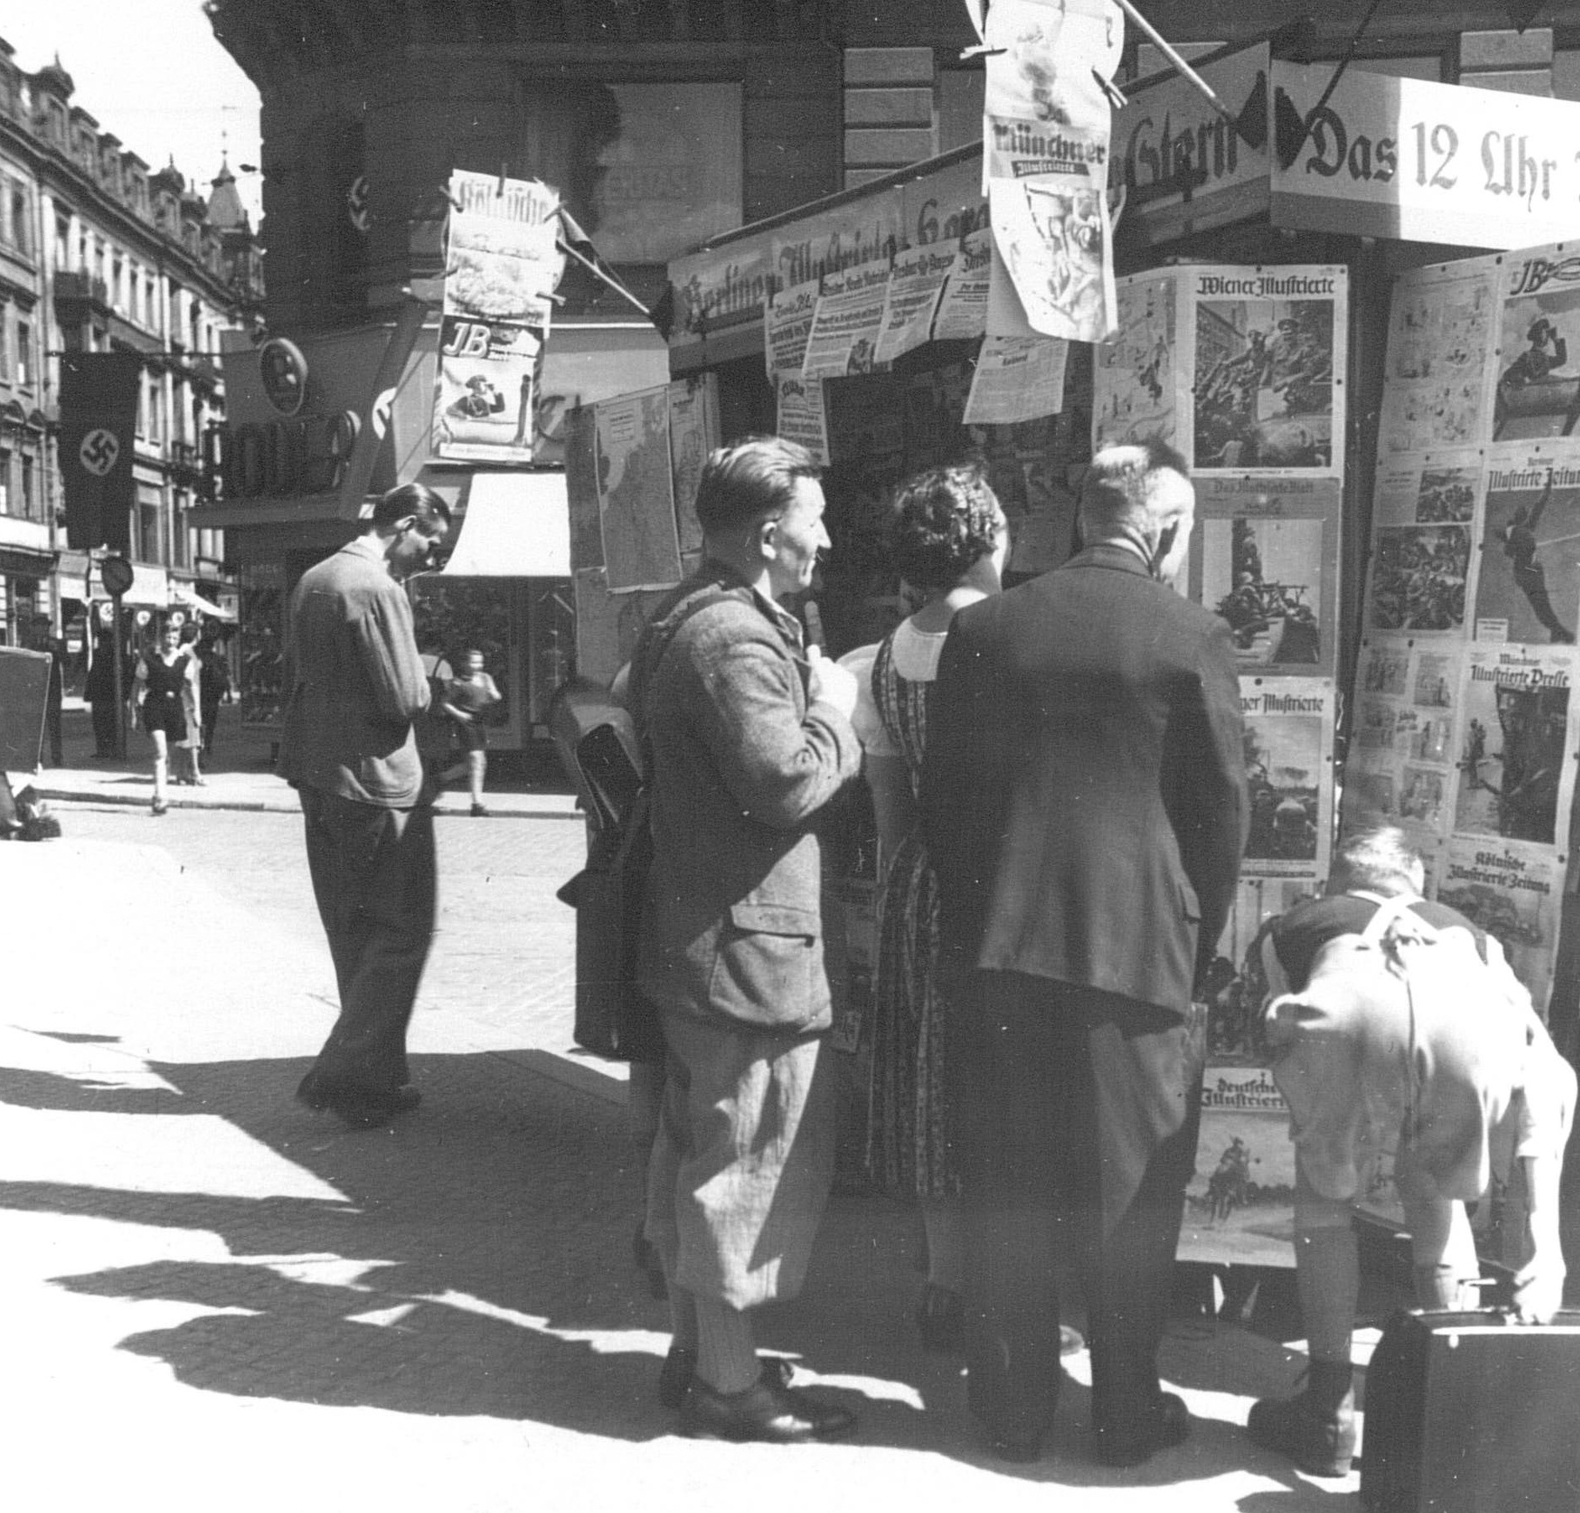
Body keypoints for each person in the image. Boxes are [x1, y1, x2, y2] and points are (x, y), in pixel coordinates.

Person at [922, 438, 1247, 1466]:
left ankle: (1012, 1411)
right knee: (1129, 1196)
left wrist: (985, 918)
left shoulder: (987, 629)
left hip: (1002, 951)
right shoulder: (1188, 633)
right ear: (1160, 528)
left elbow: (946, 803)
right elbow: (1222, 812)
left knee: (1009, 1184)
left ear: (1082, 516)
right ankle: (1123, 1415)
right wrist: (1193, 940)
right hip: (1139, 954)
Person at [631, 436, 863, 1443]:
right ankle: (729, 1387)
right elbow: (783, 782)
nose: (827, 537)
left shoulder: (694, 611)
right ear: (770, 536)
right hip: (743, 947)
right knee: (744, 1160)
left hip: (706, 936)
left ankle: (703, 1358)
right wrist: (833, 713)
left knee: (703, 1150)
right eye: (814, 519)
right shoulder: (732, 636)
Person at [1247, 825, 1575, 1478]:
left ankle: (1328, 1408)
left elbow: (1268, 1019)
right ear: (1415, 887)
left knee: (1324, 1202)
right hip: (1460, 1034)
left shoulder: (1297, 922)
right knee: (1436, 1194)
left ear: (1340, 882)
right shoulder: (1476, 940)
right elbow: (1549, 1073)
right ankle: (1451, 1400)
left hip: (1340, 1017)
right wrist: (1546, 1247)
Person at [837, 463, 1008, 1354]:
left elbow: (890, 803)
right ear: (989, 539)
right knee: (1005, 1085)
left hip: (921, 882)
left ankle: (944, 1280)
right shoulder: (1012, 634)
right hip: (1004, 888)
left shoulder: (888, 657)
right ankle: (1007, 1284)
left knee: (931, 1083)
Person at [278, 481, 451, 1129]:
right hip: (376, 781)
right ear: (403, 522)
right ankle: (346, 1070)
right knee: (402, 927)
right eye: (427, 540)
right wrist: (434, 677)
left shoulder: (316, 578)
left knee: (351, 928)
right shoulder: (378, 588)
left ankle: (374, 1081)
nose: (429, 556)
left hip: (317, 771)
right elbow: (405, 697)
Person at [132, 621, 197, 816]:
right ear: (162, 638)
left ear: (179, 640)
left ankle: (162, 793)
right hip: (154, 706)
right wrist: (134, 709)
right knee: (160, 753)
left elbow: (189, 686)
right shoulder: (150, 659)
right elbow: (136, 684)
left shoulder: (184, 660)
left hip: (175, 708)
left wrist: (195, 711)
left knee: (168, 754)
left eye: (175, 638)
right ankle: (160, 795)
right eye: (168, 637)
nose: (171, 641)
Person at [439, 648, 502, 816]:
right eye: (473, 662)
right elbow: (445, 703)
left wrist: (495, 695)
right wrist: (459, 715)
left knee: (476, 764)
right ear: (464, 663)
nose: (477, 666)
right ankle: (477, 803)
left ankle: (441, 779)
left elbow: (494, 694)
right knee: (475, 760)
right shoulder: (458, 683)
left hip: (481, 722)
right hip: (466, 723)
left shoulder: (485, 678)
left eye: (480, 662)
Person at [172, 622, 205, 786]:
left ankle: (181, 773)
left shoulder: (180, 651)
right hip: (189, 700)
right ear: (195, 635)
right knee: (193, 739)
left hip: (180, 700)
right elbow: (188, 681)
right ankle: (195, 774)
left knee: (182, 739)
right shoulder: (188, 653)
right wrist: (194, 707)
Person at [198, 633, 232, 759]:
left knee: (200, 722)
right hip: (213, 695)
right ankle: (207, 744)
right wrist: (228, 693)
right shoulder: (217, 658)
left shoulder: (197, 659)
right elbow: (225, 677)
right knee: (211, 723)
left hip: (201, 695)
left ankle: (201, 744)